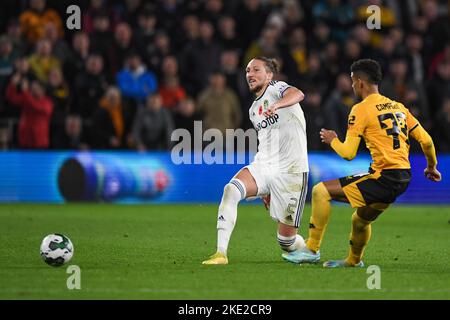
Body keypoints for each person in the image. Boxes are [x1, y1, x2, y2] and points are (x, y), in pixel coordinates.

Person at [282, 59, 442, 268]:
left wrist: (333, 140)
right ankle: (353, 260)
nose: (351, 86)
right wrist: (431, 167)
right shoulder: (398, 107)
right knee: (360, 219)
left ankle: (311, 249)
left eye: (352, 81)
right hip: (403, 178)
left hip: (384, 177)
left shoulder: (361, 109)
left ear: (360, 82)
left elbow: (348, 153)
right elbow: (426, 141)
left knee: (320, 191)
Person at [202, 57, 308, 265]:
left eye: (256, 70)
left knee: (286, 241)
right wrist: (264, 187)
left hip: (292, 171)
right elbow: (266, 143)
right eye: (248, 70)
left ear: (269, 75)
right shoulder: (253, 110)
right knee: (231, 190)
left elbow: (299, 94)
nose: (250, 74)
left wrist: (278, 104)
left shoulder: (277, 88)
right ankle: (220, 253)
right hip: (265, 165)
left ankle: (309, 249)